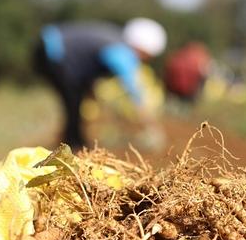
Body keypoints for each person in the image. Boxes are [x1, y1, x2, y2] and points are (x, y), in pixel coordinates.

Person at [33, 18, 167, 149]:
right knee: (73, 100)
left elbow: (90, 71)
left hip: (48, 49)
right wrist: (148, 121)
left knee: (76, 98)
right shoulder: (121, 50)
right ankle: (74, 144)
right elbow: (131, 85)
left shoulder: (114, 39)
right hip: (53, 54)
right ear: (141, 48)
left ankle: (74, 141)